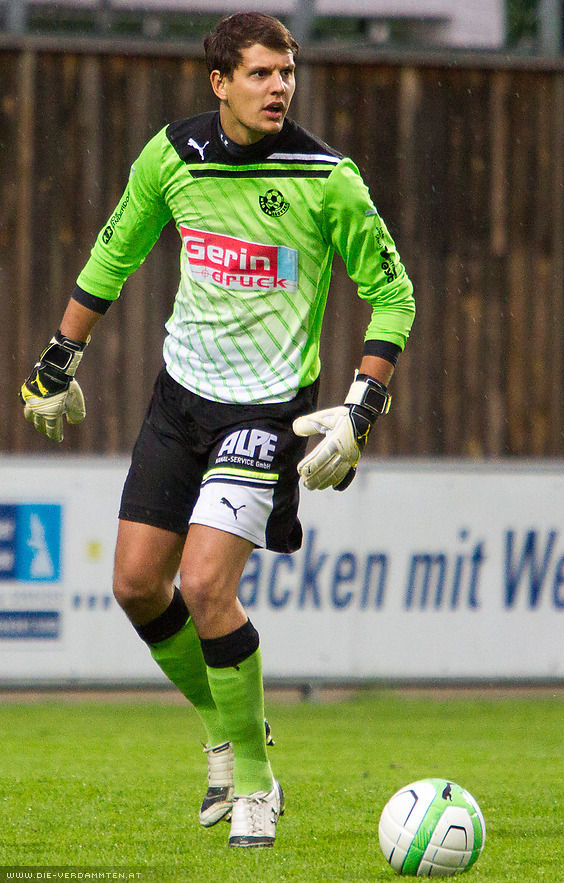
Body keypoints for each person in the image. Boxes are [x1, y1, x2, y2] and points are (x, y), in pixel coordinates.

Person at [20, 12, 415, 848]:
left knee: (205, 586)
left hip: (268, 409)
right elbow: (113, 254)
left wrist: (360, 406)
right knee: (135, 585)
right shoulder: (173, 157)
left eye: (288, 73)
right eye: (263, 73)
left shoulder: (326, 176)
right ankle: (228, 735)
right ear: (220, 82)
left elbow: (395, 295)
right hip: (180, 401)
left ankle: (258, 787)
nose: (280, 87)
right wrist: (58, 361)